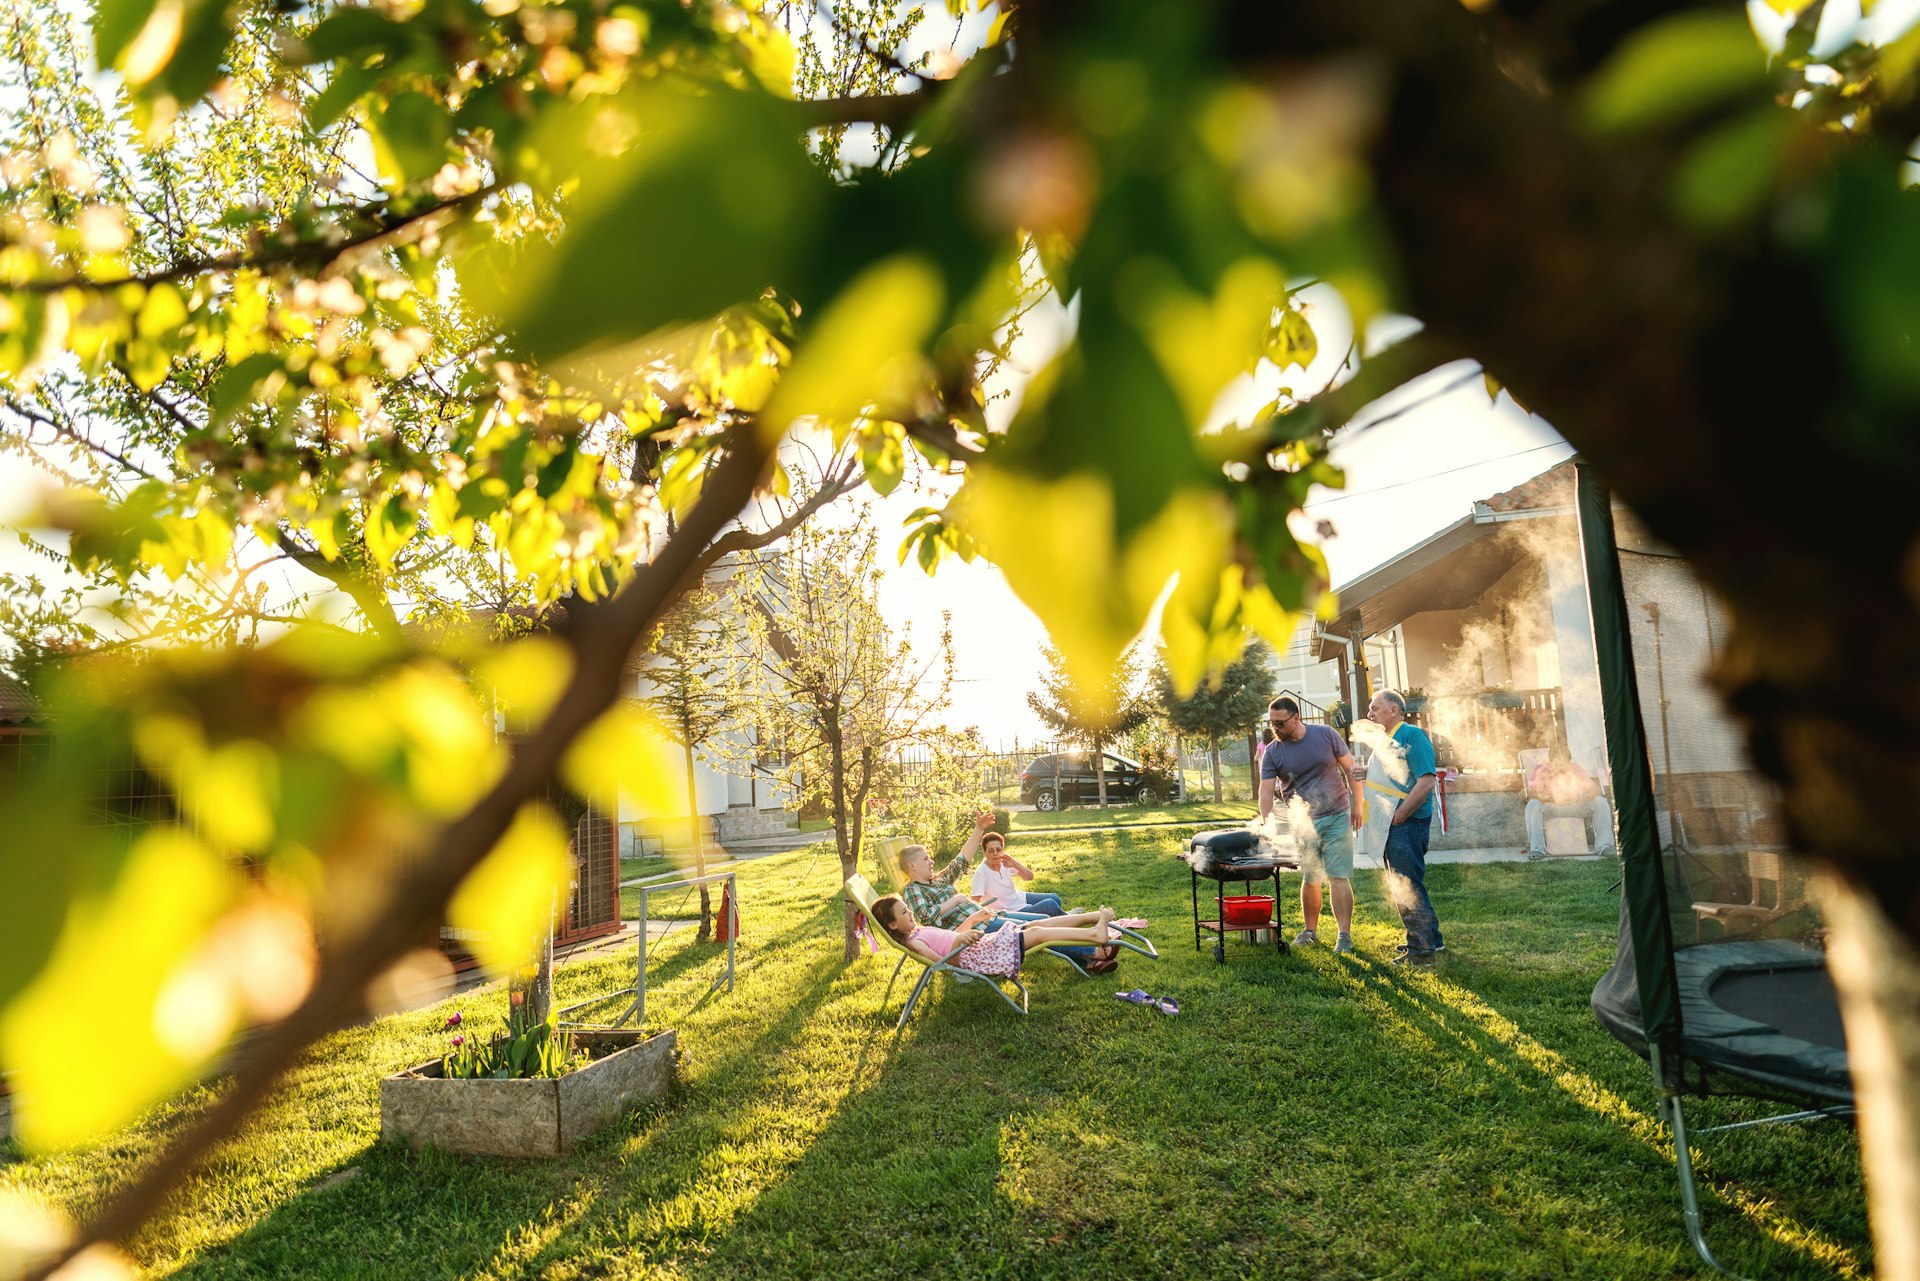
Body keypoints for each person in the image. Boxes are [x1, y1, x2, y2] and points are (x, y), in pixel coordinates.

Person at [897, 818, 1117, 971]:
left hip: (988, 916)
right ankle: (1094, 952)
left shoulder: (938, 879)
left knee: (1041, 920)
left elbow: (962, 859)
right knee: (1037, 930)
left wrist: (978, 829)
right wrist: (956, 900)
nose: (931, 861)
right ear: (912, 866)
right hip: (974, 931)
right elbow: (926, 918)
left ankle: (1089, 956)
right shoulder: (913, 890)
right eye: (926, 859)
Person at [1258, 695, 1362, 954]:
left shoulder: (1326, 735)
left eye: (1280, 723)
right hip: (1303, 822)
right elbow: (1265, 792)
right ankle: (1310, 931)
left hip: (1338, 813)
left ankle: (1344, 936)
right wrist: (1267, 824)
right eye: (1272, 723)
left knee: (1338, 876)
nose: (1275, 728)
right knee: (1311, 877)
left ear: (1296, 717)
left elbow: (1351, 769)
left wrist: (1359, 805)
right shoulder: (1272, 752)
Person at [1364, 689, 1445, 966]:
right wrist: (1365, 773)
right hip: (1392, 821)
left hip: (1406, 823)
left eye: (1375, 708)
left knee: (1406, 885)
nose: (1369, 713)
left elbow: (1425, 781)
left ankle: (1421, 951)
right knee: (1407, 882)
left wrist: (1400, 815)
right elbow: (1397, 777)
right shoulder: (1386, 739)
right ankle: (1431, 939)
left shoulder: (1412, 735)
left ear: (1394, 710)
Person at [871, 895, 1118, 980]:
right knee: (1038, 933)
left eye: (907, 907)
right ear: (893, 924)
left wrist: (972, 921)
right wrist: (960, 941)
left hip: (980, 946)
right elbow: (942, 963)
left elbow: (951, 937)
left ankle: (1092, 917)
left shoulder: (916, 931)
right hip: (982, 956)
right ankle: (1094, 934)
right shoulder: (914, 942)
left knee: (1036, 925)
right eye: (904, 912)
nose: (910, 911)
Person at [1524, 747, 1616, 861]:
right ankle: (1537, 850)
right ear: (1551, 760)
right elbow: (1532, 794)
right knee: (1533, 805)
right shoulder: (1542, 770)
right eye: (1558, 761)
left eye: (1565, 762)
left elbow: (1592, 789)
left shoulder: (1575, 769)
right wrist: (1548, 797)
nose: (1562, 765)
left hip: (1575, 806)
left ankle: (1605, 847)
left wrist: (1585, 796)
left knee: (1600, 801)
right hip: (1551, 807)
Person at [970, 829, 1065, 918]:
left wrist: (1015, 863)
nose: (995, 853)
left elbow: (1029, 877)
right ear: (984, 852)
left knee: (1055, 898)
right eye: (991, 850)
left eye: (998, 849)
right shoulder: (981, 873)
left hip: (1018, 898)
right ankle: (1069, 917)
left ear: (1002, 849)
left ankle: (1061, 916)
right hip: (1009, 910)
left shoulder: (1005, 861)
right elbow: (974, 902)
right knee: (1049, 905)